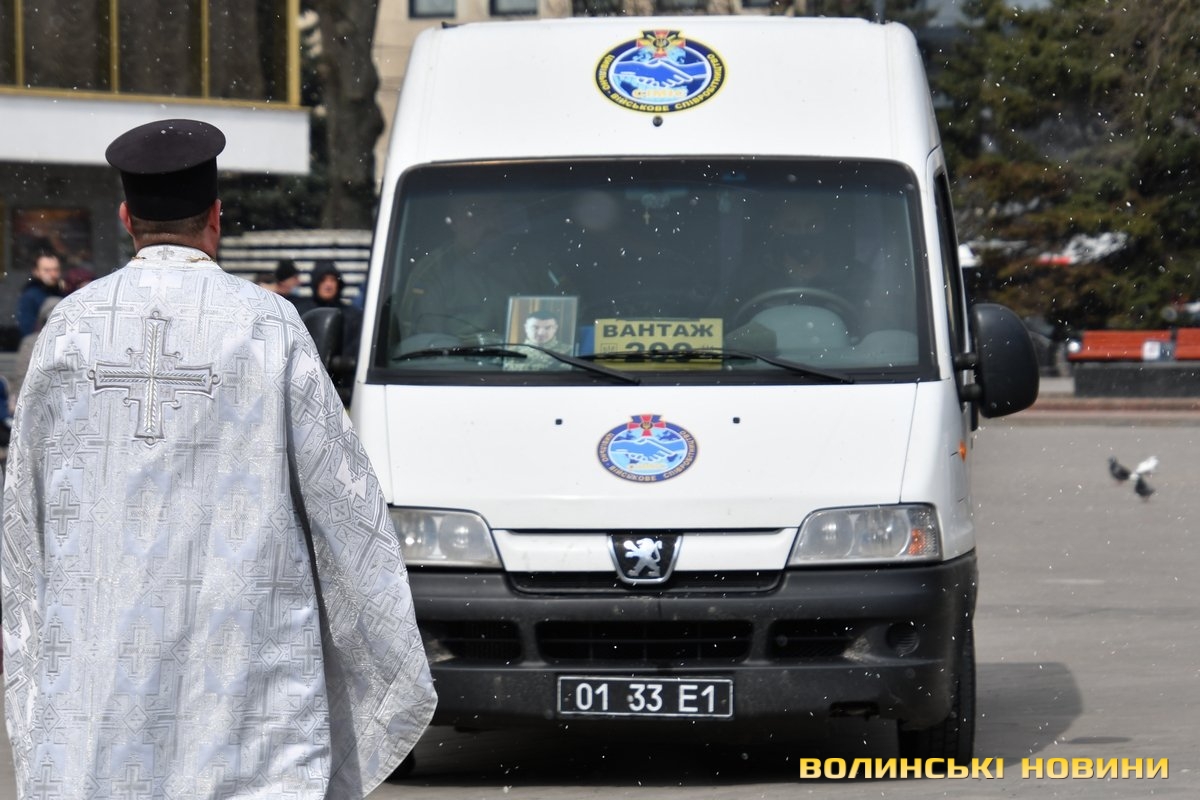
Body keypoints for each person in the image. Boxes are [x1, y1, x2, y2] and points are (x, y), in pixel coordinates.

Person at [1, 118, 435, 798]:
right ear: (216, 216)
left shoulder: (72, 329)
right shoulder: (266, 325)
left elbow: (24, 515)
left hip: (101, 672)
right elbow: (343, 504)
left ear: (126, 219)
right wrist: (378, 642)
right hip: (239, 675)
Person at [295, 259, 363, 360]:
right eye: (323, 280)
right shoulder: (302, 312)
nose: (328, 285)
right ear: (316, 283)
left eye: (332, 280)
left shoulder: (352, 316)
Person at [15, 250, 63, 337]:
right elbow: (27, 329)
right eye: (47, 270)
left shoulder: (63, 292)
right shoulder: (30, 296)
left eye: (56, 270)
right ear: (36, 272)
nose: (53, 274)